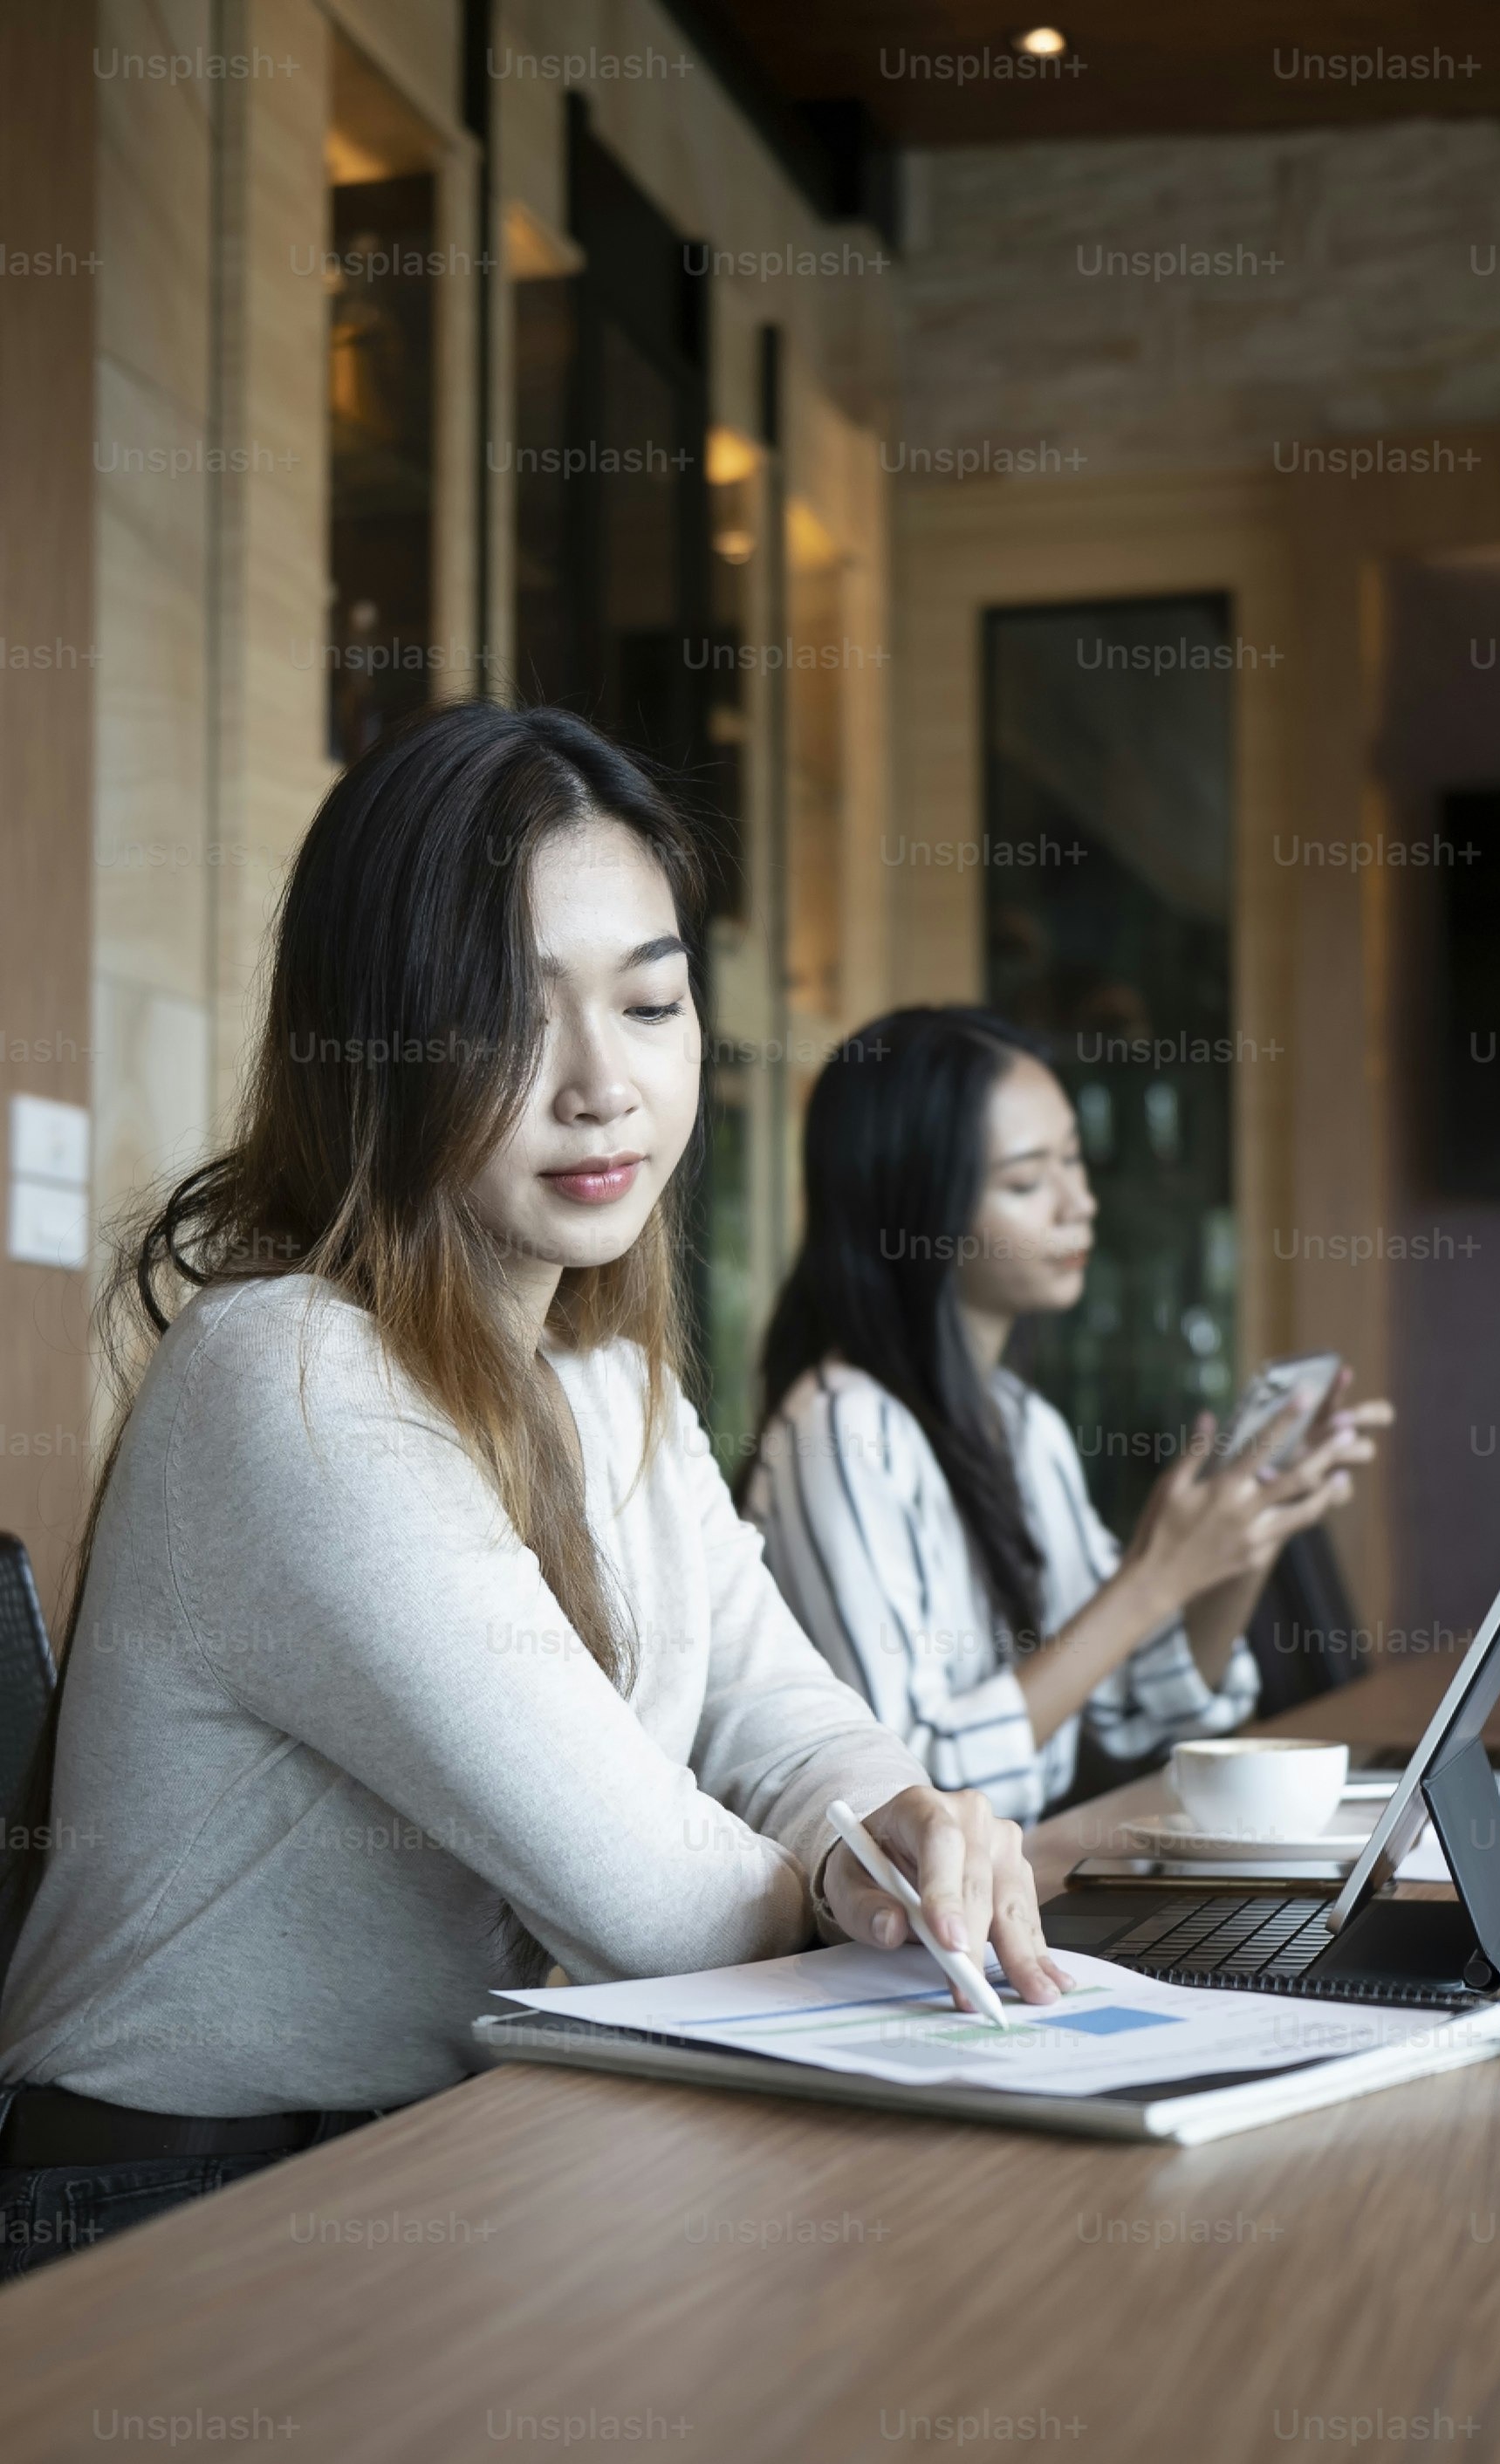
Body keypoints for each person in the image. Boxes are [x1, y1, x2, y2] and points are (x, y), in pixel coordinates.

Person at [0, 712, 1067, 2277]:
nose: (602, 1085)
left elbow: (777, 1707)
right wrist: (857, 1882)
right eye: (511, 1015)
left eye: (650, 1001)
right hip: (168, 2213)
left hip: (439, 2150)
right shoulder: (290, 1371)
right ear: (373, 1044)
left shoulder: (604, 1368)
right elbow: (661, 1906)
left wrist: (892, 1814)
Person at [740, 1008, 1389, 1824]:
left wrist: (1248, 1525)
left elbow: (1142, 1701)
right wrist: (1154, 1578)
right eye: (1025, 1181)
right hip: (890, 1931)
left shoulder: (1023, 1425)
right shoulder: (840, 1430)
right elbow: (910, 1792)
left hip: (1007, 1894)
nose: (1079, 1203)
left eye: (1075, 1162)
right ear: (918, 1212)